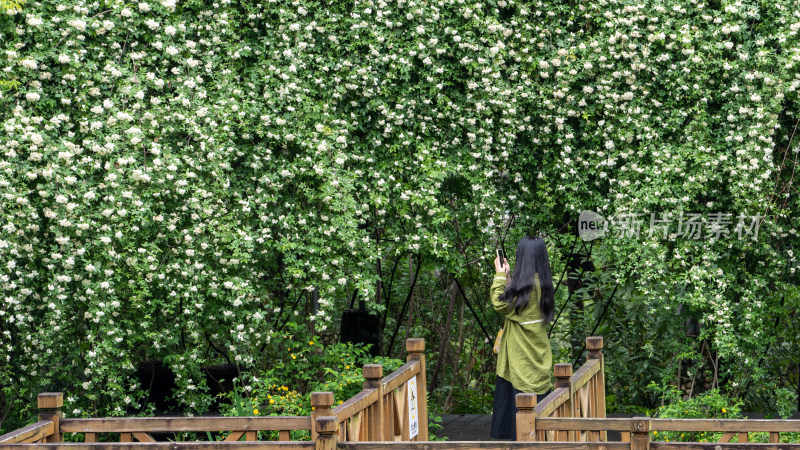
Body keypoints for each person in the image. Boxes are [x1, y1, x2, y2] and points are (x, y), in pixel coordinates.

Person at [489, 236, 555, 440]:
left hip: (519, 365)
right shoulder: (542, 284)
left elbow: (500, 304)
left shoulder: (525, 288)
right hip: (537, 361)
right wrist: (509, 279)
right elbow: (518, 305)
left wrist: (499, 276)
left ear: (524, 257)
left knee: (514, 430)